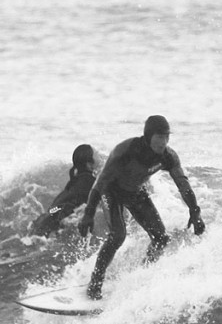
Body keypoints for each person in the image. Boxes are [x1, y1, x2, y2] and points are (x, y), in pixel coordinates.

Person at [77, 115, 206, 299]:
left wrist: (195, 211)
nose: (164, 142)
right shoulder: (125, 151)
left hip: (135, 192)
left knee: (161, 238)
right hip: (111, 191)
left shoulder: (168, 157)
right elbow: (100, 183)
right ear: (148, 135)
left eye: (166, 137)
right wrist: (88, 214)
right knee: (118, 236)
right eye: (159, 137)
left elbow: (182, 184)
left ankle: (141, 278)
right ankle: (95, 284)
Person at [30, 144, 97, 237]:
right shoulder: (90, 181)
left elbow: (57, 207)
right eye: (97, 155)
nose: (101, 158)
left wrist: (50, 213)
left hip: (50, 215)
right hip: (56, 214)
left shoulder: (77, 179)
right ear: (89, 163)